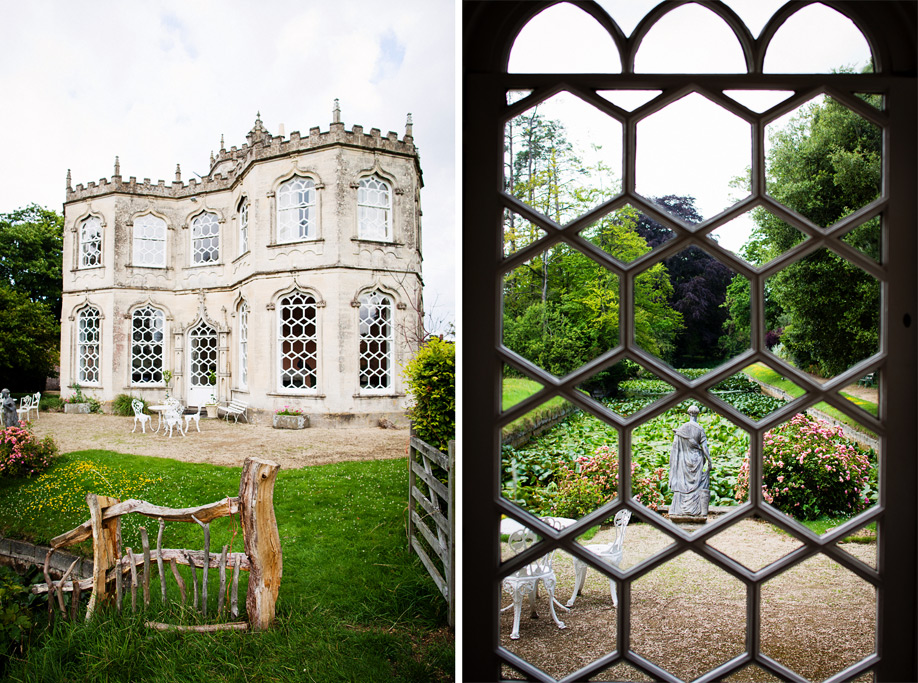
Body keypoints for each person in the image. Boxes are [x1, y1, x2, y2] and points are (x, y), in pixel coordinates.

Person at [669, 405, 712, 517]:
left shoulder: (682, 428)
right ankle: (696, 510)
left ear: (688, 414)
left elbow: (675, 447)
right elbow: (705, 448)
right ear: (697, 414)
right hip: (696, 459)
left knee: (682, 483)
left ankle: (678, 509)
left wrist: (675, 461)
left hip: (684, 459)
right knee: (696, 485)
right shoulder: (699, 429)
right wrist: (709, 460)